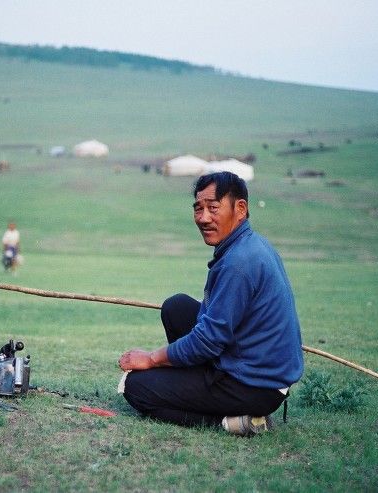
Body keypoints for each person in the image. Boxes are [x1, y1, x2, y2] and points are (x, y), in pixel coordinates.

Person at [118, 171, 303, 436]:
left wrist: (151, 359)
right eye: (198, 208)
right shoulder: (251, 246)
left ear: (240, 208)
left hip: (254, 384)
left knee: (136, 387)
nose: (204, 218)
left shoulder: (239, 263)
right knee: (177, 307)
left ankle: (235, 422)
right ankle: (197, 386)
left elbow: (208, 340)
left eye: (213, 208)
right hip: (254, 366)